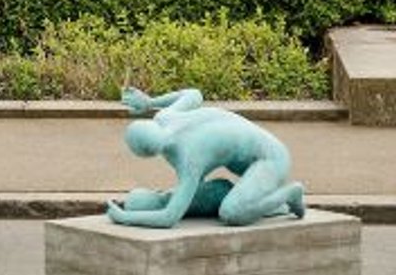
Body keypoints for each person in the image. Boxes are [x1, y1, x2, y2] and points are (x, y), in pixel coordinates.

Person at [106, 86, 306, 228]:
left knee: (232, 213)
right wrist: (150, 102)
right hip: (260, 148)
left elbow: (169, 218)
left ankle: (290, 194)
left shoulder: (189, 159)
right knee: (210, 196)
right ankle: (263, 202)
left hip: (272, 160)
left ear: (149, 155)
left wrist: (124, 217)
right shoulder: (164, 117)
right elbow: (194, 94)